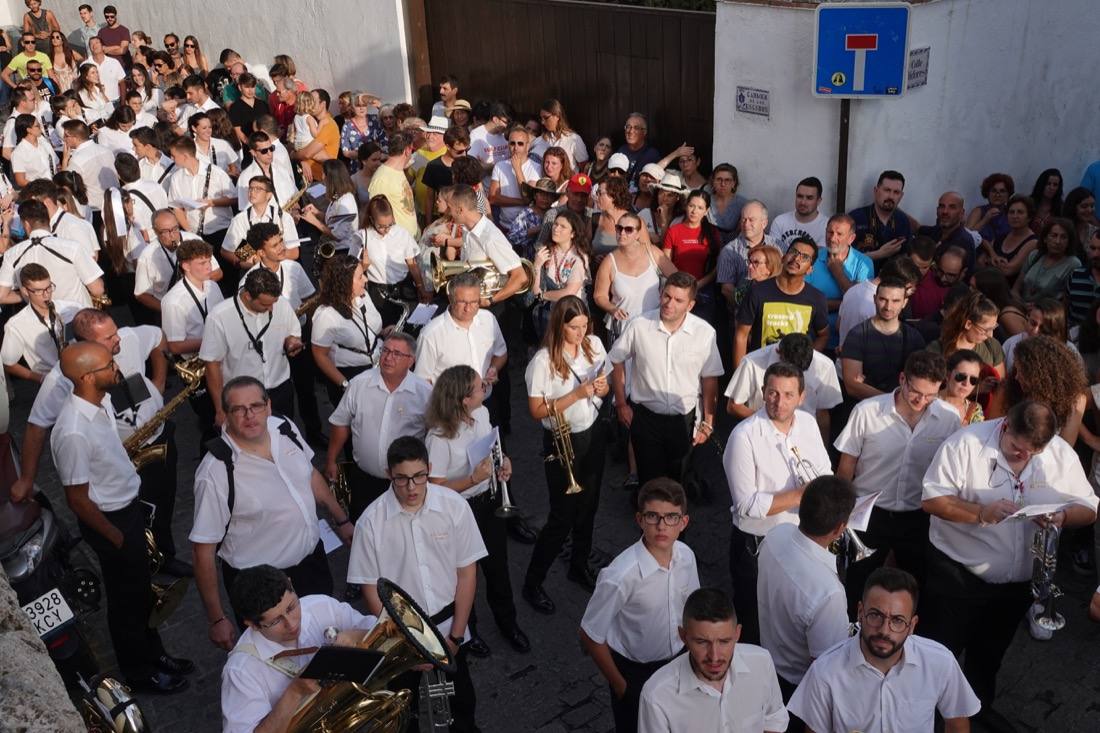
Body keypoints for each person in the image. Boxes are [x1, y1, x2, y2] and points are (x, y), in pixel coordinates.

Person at [920, 401, 1097, 723]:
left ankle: (976, 711)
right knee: (939, 652)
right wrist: (979, 514)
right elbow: (932, 499)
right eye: (1017, 448)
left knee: (990, 654)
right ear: (1004, 427)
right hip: (957, 574)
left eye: (1033, 453)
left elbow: (1089, 507)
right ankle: (922, 717)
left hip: (1016, 585)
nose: (1023, 457)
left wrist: (1063, 516)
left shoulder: (1058, 453)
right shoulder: (964, 444)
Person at [50, 341, 191, 693]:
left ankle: (154, 652)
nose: (116, 366)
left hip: (127, 510)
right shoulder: (72, 431)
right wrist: (116, 537)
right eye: (108, 363)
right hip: (111, 522)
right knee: (127, 600)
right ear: (86, 376)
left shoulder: (102, 403)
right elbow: (78, 500)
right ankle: (139, 672)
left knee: (143, 592)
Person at [191, 376, 352, 645]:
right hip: (264, 591)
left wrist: (342, 518)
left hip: (312, 566)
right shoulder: (215, 471)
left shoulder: (284, 426)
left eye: (255, 405)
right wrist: (217, 619)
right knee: (281, 663)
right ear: (225, 415)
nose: (249, 415)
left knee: (327, 643)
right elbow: (202, 552)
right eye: (238, 409)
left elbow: (310, 474)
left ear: (268, 405)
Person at [346, 435, 487, 733]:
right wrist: (407, 646)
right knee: (403, 713)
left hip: (450, 625)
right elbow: (370, 589)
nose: (411, 488)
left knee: (462, 703)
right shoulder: (370, 523)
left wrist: (457, 638)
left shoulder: (454, 506)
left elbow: (467, 574)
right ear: (389, 474)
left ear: (429, 469)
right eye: (402, 479)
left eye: (419, 476)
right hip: (400, 633)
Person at [788, 567, 981, 733]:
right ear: (860, 613)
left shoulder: (940, 662)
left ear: (912, 625)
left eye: (897, 620)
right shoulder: (824, 673)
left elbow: (957, 725)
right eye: (875, 615)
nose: (884, 630)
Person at [835, 350, 958, 603]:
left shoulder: (949, 419)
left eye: (930, 395)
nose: (922, 400)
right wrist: (840, 513)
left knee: (915, 585)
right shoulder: (866, 411)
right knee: (858, 583)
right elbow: (846, 468)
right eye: (916, 392)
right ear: (902, 379)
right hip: (868, 512)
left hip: (917, 516)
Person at [424, 365, 529, 656]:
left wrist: (504, 461)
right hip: (460, 509)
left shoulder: (481, 413)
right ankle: (469, 632)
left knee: (498, 566)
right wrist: (472, 479)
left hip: (489, 499)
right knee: (464, 574)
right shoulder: (438, 437)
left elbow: (492, 448)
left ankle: (509, 624)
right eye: (478, 386)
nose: (485, 387)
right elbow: (434, 487)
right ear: (463, 400)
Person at [580, 478, 699, 733]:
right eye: (653, 516)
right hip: (636, 672)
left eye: (671, 517)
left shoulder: (687, 556)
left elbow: (692, 608)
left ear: (683, 522)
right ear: (639, 519)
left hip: (678, 662)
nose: (661, 525)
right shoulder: (621, 575)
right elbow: (590, 634)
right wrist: (622, 687)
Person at [725, 360, 831, 645]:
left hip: (800, 539)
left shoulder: (807, 423)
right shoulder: (744, 436)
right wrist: (800, 494)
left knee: (791, 619)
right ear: (762, 391)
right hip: (757, 545)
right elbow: (747, 505)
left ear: (802, 396)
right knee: (754, 622)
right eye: (772, 393)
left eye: (787, 395)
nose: (779, 402)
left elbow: (825, 472)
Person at [522, 296, 612, 609]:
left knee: (589, 507)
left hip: (592, 432)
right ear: (559, 326)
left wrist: (603, 388)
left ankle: (579, 565)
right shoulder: (542, 361)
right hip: (562, 440)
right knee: (561, 518)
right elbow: (535, 411)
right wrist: (576, 394)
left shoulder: (594, 345)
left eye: (585, 325)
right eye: (574, 327)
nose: (580, 332)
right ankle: (533, 583)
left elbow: (606, 380)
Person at [220, 565, 378, 733]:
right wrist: (294, 693)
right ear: (253, 625)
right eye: (275, 621)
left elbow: (384, 630)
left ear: (291, 584)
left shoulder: (322, 606)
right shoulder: (240, 672)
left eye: (291, 607)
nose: (292, 624)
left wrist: (356, 636)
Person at [610, 272, 722, 486]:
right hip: (645, 418)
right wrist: (621, 403)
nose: (669, 303)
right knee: (649, 482)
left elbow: (709, 379)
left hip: (683, 420)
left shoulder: (705, 333)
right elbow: (615, 359)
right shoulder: (639, 325)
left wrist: (708, 422)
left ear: (690, 305)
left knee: (677, 482)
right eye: (667, 296)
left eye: (678, 300)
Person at [757, 475, 854, 705]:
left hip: (767, 663)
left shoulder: (775, 535)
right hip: (797, 688)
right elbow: (826, 667)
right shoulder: (829, 593)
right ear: (840, 528)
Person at [637, 587, 788, 733]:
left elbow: (774, 720)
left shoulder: (761, 663)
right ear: (683, 637)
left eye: (724, 641)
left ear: (737, 634)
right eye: (702, 642)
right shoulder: (657, 695)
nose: (714, 657)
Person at [325, 331, 430, 518]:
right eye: (385, 351)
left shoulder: (424, 393)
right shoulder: (359, 384)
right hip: (365, 480)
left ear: (411, 361)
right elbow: (341, 423)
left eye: (397, 354)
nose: (389, 358)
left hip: (407, 483)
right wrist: (331, 459)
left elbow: (432, 434)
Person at [199, 267, 303, 423]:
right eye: (264, 305)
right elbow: (212, 365)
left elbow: (293, 333)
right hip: (242, 398)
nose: (271, 309)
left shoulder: (280, 303)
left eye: (273, 303)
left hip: (280, 389)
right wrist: (220, 409)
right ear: (247, 296)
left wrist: (292, 342)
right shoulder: (219, 317)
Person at [733, 236, 829, 366]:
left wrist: (805, 359)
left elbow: (823, 335)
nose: (796, 259)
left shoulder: (817, 298)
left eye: (805, 257)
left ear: (810, 269)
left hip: (796, 375)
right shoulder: (757, 292)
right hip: (760, 369)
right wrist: (740, 375)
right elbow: (741, 335)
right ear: (783, 257)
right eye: (794, 252)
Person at [724, 331, 842, 436]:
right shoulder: (751, 363)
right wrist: (769, 421)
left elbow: (822, 415)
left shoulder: (825, 366)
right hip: (762, 435)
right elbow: (734, 406)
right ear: (778, 352)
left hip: (805, 437)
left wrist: (823, 451)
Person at [0, 199, 103, 307]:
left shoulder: (12, 254)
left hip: (40, 320)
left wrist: (31, 294)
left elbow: (2, 296)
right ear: (48, 219)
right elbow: (97, 290)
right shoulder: (71, 247)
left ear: (26, 224)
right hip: (77, 316)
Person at [310, 253, 382, 405]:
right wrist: (345, 384)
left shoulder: (363, 296)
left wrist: (382, 331)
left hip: (376, 367)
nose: (366, 279)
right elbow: (320, 356)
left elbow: (368, 327)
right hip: (350, 374)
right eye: (360, 276)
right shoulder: (326, 315)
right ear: (345, 281)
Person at [839, 276, 926, 399]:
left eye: (895, 301)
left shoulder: (914, 338)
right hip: (865, 409)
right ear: (874, 299)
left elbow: (920, 380)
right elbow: (852, 386)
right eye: (883, 299)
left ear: (904, 303)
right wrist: (893, 399)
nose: (888, 307)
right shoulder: (857, 335)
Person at [448, 183, 529, 305]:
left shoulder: (490, 237)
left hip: (493, 307)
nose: (448, 212)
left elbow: (520, 277)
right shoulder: (467, 229)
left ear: (460, 210)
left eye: (450, 208)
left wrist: (491, 301)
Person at [133, 208, 221, 320]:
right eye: (165, 231)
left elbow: (218, 272)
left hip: (202, 301)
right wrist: (168, 308)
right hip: (171, 312)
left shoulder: (194, 240)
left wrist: (196, 282)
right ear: (155, 232)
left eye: (175, 228)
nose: (172, 235)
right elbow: (141, 294)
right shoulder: (147, 256)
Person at [803, 213, 873, 346]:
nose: (832, 238)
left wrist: (838, 273)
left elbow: (860, 304)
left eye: (839, 234)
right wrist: (844, 304)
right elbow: (805, 301)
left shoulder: (864, 263)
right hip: (811, 339)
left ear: (851, 238)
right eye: (830, 232)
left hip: (848, 342)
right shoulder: (813, 257)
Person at [1, 263, 79, 382]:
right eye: (38, 291)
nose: (46, 295)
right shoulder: (16, 325)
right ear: (25, 291)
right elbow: (8, 364)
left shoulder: (72, 308)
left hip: (80, 373)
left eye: (49, 287)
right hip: (52, 382)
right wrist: (43, 379)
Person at [359, 193, 430, 321]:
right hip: (379, 291)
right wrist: (363, 266)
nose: (386, 230)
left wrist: (421, 288)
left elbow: (412, 263)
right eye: (381, 226)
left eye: (389, 225)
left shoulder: (401, 233)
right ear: (371, 219)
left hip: (404, 287)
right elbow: (352, 269)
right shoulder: (362, 236)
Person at [165, 135, 235, 256]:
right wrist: (189, 233)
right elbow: (176, 208)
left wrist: (211, 203)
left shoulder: (216, 172)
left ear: (185, 156)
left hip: (220, 232)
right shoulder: (176, 178)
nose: (171, 159)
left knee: (228, 270)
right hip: (196, 235)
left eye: (174, 156)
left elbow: (234, 199)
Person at [530, 207, 590, 339]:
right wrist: (537, 265)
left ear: (573, 233)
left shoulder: (578, 257)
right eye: (555, 224)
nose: (556, 228)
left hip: (572, 316)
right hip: (550, 315)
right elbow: (535, 290)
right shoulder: (545, 252)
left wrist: (542, 295)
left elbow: (569, 292)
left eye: (563, 226)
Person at [662, 190, 722, 321]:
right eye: (691, 206)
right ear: (686, 206)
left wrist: (697, 285)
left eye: (700, 208)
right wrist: (682, 285)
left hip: (703, 291)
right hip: (677, 290)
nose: (694, 211)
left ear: (706, 211)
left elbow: (717, 267)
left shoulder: (713, 233)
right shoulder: (674, 231)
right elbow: (666, 262)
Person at [927, 290, 1006, 377]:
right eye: (986, 330)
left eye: (993, 327)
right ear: (968, 324)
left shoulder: (992, 346)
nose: (990, 335)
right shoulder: (938, 349)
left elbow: (1001, 383)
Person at [848, 169, 917, 264]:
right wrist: (879, 254)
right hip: (861, 277)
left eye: (896, 192)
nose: (891, 196)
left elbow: (907, 257)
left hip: (893, 277)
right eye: (887, 190)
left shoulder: (903, 221)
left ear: (901, 196)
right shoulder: (855, 218)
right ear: (876, 191)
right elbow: (844, 257)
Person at [364, 130, 418, 238]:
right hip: (396, 244)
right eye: (412, 149)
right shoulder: (382, 179)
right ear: (407, 150)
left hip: (408, 241)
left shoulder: (398, 170)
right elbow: (376, 216)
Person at [1014, 216, 1082, 302]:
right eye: (1054, 236)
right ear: (1045, 238)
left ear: (1069, 241)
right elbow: (1015, 289)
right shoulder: (1034, 255)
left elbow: (1067, 301)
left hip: (1049, 312)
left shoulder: (1073, 264)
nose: (1058, 241)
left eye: (1063, 237)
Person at [488, 124, 540, 230]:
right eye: (512, 143)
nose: (515, 148)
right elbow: (493, 198)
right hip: (504, 226)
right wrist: (521, 202)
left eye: (520, 144)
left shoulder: (536, 168)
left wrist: (517, 169)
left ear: (527, 146)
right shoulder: (500, 166)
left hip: (527, 228)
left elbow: (527, 197)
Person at [60, 119, 117, 214]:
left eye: (66, 136)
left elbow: (64, 185)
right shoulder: (106, 150)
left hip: (95, 209)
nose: (63, 138)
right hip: (115, 202)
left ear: (75, 138)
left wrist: (64, 160)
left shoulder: (77, 160)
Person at [236, 132, 297, 211]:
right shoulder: (245, 177)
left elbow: (294, 193)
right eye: (264, 151)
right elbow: (245, 209)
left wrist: (296, 208)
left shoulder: (280, 167)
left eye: (271, 148)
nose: (269, 153)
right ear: (253, 153)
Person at [289, 88, 338, 182]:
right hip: (307, 176)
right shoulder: (305, 118)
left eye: (312, 101)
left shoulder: (328, 124)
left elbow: (308, 153)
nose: (309, 103)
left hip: (321, 178)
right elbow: (292, 142)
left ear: (323, 104)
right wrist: (302, 160)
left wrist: (294, 155)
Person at [770, 177, 828, 252]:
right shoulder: (780, 221)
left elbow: (821, 257)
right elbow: (773, 255)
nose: (803, 202)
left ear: (819, 201)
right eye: (800, 196)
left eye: (809, 198)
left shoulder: (827, 226)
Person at [938, 348, 985, 425]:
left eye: (973, 380)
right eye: (961, 376)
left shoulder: (975, 412)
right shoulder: (927, 402)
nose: (966, 383)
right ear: (948, 375)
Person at [10, 113, 57, 186]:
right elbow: (21, 181)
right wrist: (41, 187)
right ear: (29, 130)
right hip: (38, 193)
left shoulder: (45, 142)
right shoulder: (18, 153)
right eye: (37, 126)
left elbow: (57, 165)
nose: (41, 127)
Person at [616, 112, 662, 186]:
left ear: (644, 132)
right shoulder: (621, 151)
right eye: (628, 127)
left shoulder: (652, 154)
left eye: (636, 128)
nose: (630, 131)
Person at [1029, 168, 1063, 234]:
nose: (1051, 188)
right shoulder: (1029, 204)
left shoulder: (1061, 208)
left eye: (1055, 185)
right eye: (1048, 184)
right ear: (1041, 184)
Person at [96, 5, 130, 70]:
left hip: (123, 67)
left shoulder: (124, 30)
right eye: (107, 17)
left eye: (112, 16)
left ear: (115, 16)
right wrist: (116, 47)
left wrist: (106, 50)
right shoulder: (101, 32)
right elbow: (99, 50)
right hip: (107, 67)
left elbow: (122, 51)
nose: (109, 19)